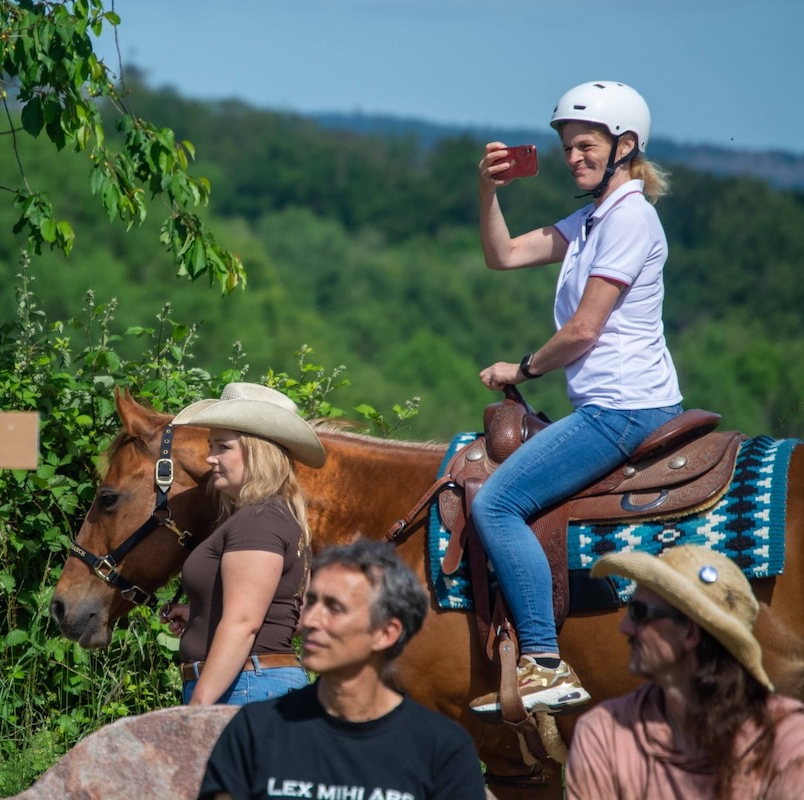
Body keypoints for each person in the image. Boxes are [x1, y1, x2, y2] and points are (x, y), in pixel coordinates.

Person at [468, 80, 684, 718]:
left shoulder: (630, 218)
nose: (573, 158)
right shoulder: (592, 220)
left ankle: (543, 660)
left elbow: (586, 328)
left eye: (585, 145)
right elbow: (503, 255)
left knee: (499, 503)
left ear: (626, 145)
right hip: (611, 402)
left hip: (621, 407)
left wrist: (523, 366)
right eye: (566, 147)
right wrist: (488, 190)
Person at [198, 539, 485, 800]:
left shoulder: (442, 749)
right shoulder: (254, 730)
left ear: (386, 633)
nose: (310, 620)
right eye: (310, 603)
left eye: (334, 608)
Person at [565, 545, 804, 798]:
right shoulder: (601, 732)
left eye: (638, 613)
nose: (624, 627)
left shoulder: (786, 741)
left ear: (689, 633)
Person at [162, 382, 325, 706]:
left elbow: (243, 624)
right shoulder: (273, 516)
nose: (209, 458)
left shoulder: (258, 521)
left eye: (222, 446)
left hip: (244, 688)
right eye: (211, 445)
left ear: (257, 451)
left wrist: (198, 707)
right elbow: (284, 615)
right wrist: (202, 615)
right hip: (253, 683)